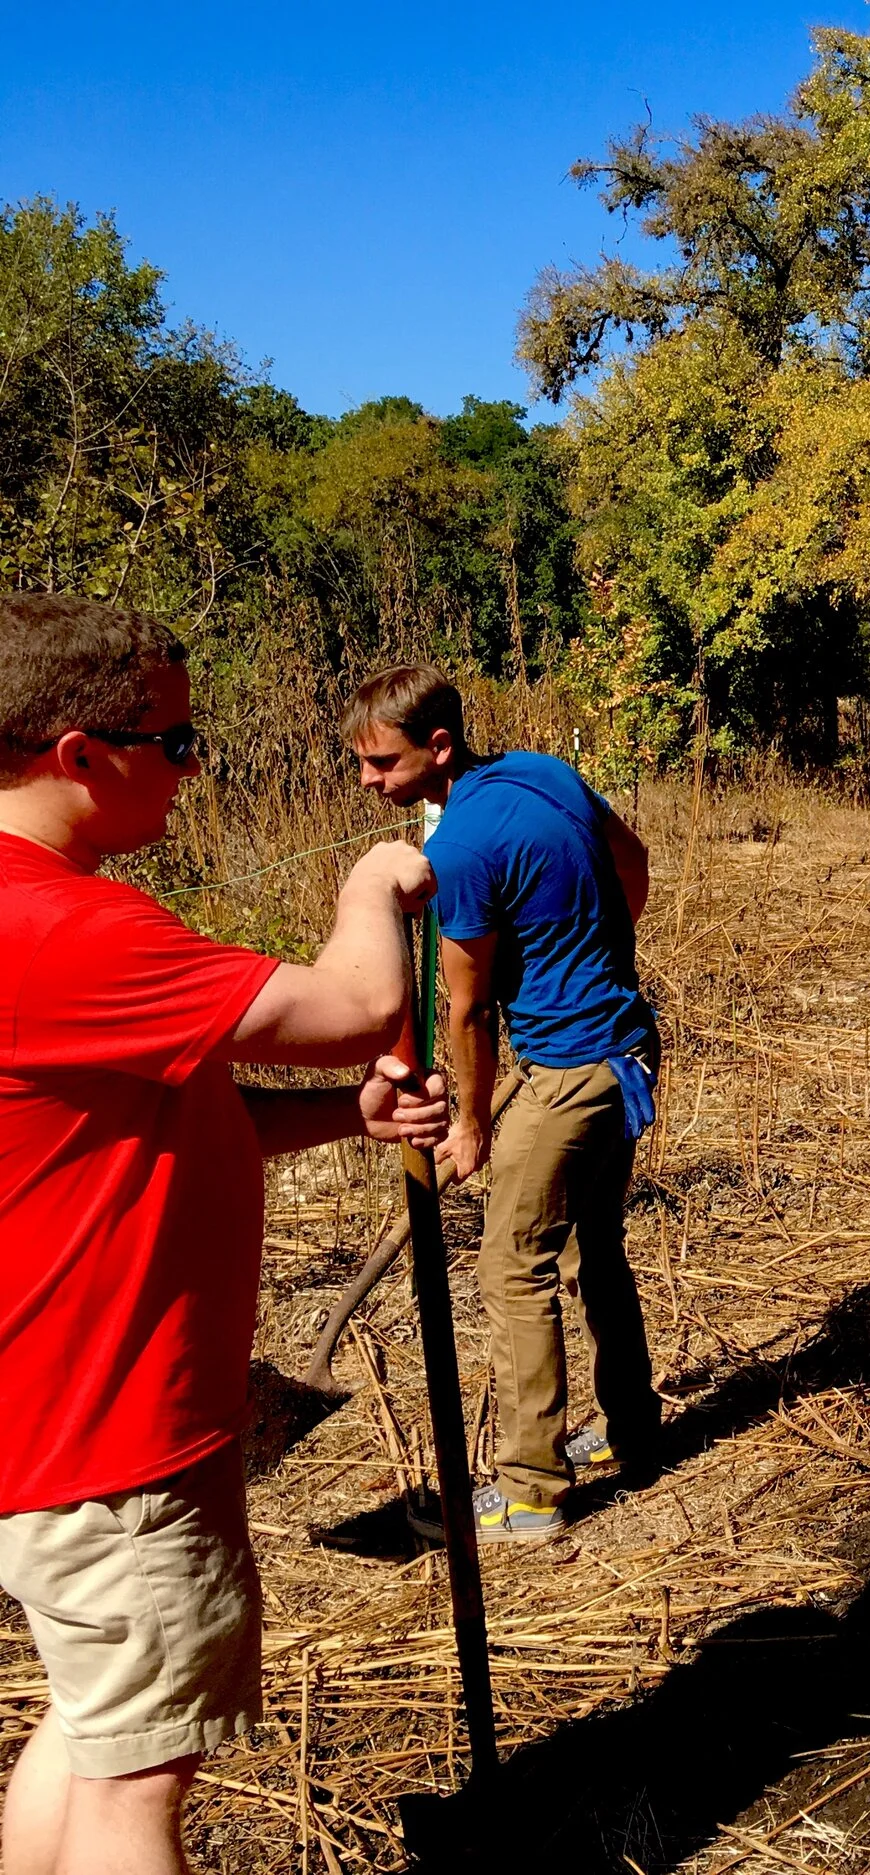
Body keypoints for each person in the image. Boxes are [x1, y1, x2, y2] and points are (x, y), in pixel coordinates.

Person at [0, 593, 448, 1875]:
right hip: (114, 1433)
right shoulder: (63, 928)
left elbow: (156, 1133)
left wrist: (344, 1121)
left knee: (96, 1735)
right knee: (142, 1786)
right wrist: (372, 879)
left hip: (51, 1423)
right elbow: (362, 1002)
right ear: (81, 755)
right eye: (181, 743)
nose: (197, 769)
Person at [348, 667, 663, 1539]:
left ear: (437, 748)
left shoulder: (458, 851)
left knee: (511, 1266)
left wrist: (473, 1120)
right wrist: (601, 957)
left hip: (568, 1077)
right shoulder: (543, 769)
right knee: (590, 1249)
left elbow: (467, 1006)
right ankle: (631, 1428)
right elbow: (631, 859)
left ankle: (530, 1488)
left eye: (381, 762)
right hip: (627, 1049)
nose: (369, 781)